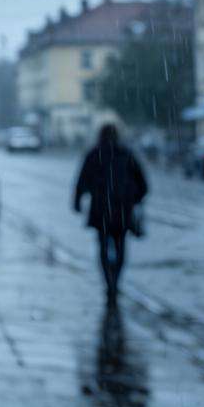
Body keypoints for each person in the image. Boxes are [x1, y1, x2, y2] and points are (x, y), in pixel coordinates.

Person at [74, 124, 148, 306]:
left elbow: (81, 181)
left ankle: (109, 282)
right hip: (123, 209)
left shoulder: (94, 154)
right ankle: (116, 280)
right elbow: (143, 184)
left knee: (102, 247)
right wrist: (134, 198)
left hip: (101, 209)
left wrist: (77, 201)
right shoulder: (126, 154)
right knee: (121, 246)